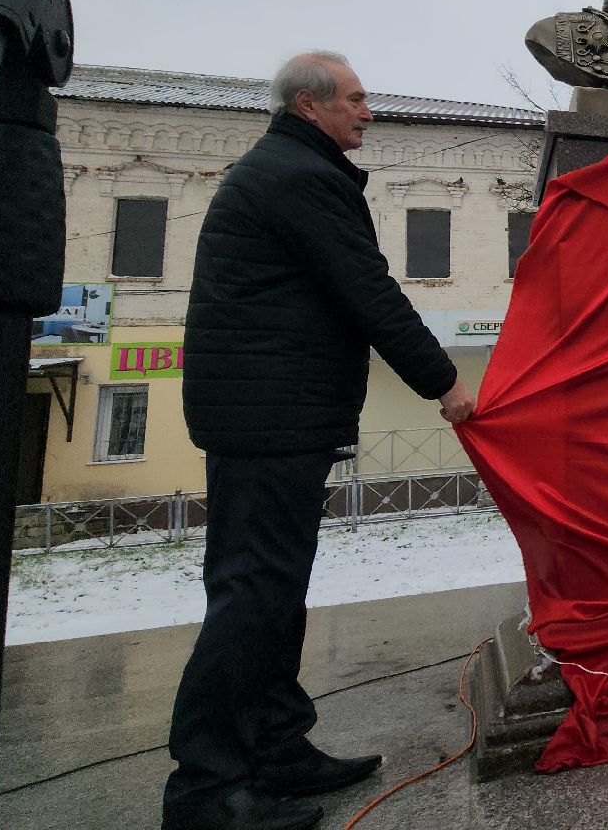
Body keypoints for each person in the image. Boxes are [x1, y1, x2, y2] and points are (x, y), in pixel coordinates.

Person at [165, 52, 478, 830]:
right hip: (267, 416)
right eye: (356, 99)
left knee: (273, 590)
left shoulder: (286, 168)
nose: (368, 111)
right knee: (252, 594)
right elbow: (369, 290)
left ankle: (275, 747)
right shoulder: (300, 177)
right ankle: (207, 790)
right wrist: (446, 385)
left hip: (270, 413)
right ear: (310, 106)